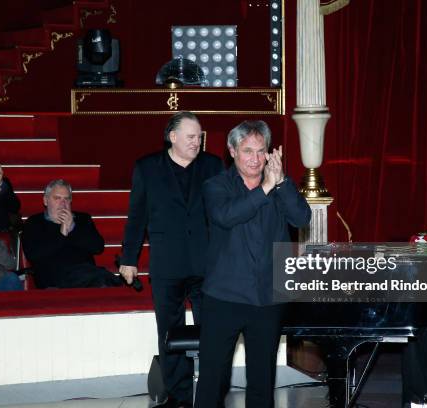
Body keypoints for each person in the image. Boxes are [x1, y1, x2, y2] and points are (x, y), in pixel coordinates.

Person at [194, 120, 311, 408]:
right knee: (212, 380)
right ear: (232, 151)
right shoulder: (216, 186)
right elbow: (227, 215)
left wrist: (280, 182)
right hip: (224, 297)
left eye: (261, 151)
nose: (256, 159)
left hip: (267, 298)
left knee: (262, 382)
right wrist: (265, 189)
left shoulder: (280, 184)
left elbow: (302, 218)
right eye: (248, 151)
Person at [119, 111, 223, 408]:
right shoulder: (147, 168)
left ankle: (212, 394)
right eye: (191, 136)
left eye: (200, 136)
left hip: (208, 265)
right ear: (172, 137)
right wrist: (129, 258)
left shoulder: (213, 166)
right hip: (167, 265)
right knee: (169, 333)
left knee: (215, 330)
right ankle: (178, 396)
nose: (197, 141)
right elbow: (137, 216)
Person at [22, 179, 120, 289]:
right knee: (101, 277)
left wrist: (72, 227)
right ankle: (116, 282)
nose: (63, 203)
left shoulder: (82, 219)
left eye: (66, 199)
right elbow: (33, 254)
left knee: (97, 277)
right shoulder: (34, 222)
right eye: (57, 198)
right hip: (53, 278)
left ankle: (112, 282)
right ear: (45, 200)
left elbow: (98, 247)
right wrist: (62, 234)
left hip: (86, 275)